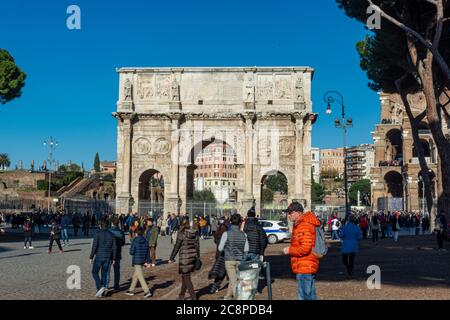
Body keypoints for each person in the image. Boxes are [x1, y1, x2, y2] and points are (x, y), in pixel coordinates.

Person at [282, 201, 321, 300]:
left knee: (303, 296)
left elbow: (305, 248)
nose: (288, 215)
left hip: (304, 266)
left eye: (290, 212)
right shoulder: (302, 224)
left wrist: (289, 250)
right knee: (310, 295)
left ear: (298, 213)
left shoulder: (303, 225)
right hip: (306, 265)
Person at [217, 213, 249, 300]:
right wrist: (243, 258)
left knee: (234, 280)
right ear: (240, 223)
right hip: (240, 259)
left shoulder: (226, 234)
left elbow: (220, 248)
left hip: (229, 259)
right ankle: (227, 296)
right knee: (234, 279)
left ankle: (238, 298)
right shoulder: (244, 235)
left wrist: (227, 249)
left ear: (230, 222)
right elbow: (246, 249)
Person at [169, 217, 200, 300]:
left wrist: (171, 257)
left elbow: (177, 246)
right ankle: (181, 295)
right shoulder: (194, 233)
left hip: (184, 258)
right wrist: (198, 256)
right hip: (192, 257)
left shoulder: (181, 233)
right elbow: (197, 245)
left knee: (187, 278)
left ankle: (193, 297)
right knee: (185, 277)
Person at [90, 220, 117, 298]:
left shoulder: (97, 234)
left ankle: (99, 287)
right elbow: (114, 248)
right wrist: (114, 258)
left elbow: (94, 246)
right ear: (108, 226)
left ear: (100, 225)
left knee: (94, 272)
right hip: (108, 257)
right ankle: (103, 292)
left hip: (99, 256)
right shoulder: (112, 235)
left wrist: (91, 257)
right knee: (104, 274)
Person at [126, 227, 153, 298]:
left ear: (136, 233)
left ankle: (147, 291)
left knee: (140, 276)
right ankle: (131, 290)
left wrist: (130, 249)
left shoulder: (134, 240)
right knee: (136, 275)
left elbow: (131, 252)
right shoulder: (146, 240)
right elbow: (148, 252)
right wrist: (148, 261)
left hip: (137, 260)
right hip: (143, 260)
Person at [208, 218, 228, 294]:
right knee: (222, 273)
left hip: (218, 255)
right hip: (223, 255)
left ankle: (214, 288)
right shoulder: (225, 236)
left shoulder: (217, 235)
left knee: (219, 273)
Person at [109, 217, 125, 293]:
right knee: (117, 271)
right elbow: (123, 243)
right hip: (118, 253)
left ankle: (106, 286)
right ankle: (116, 286)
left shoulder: (108, 231)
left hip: (108, 253)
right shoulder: (121, 232)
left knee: (106, 271)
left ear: (112, 223)